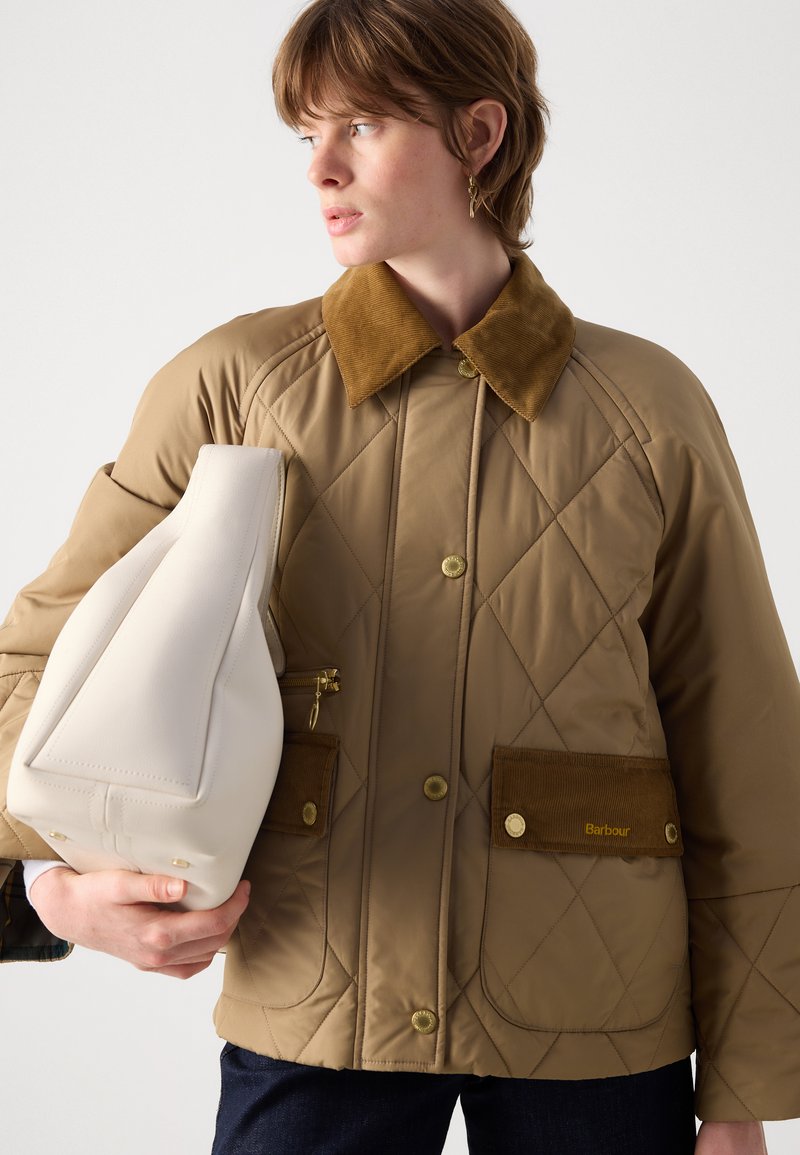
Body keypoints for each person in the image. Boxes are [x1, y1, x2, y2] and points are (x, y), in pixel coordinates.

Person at [0, 0, 797, 1151]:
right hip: (316, 1004)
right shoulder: (229, 385)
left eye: (362, 125)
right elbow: (30, 673)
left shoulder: (648, 413)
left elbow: (746, 754)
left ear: (478, 133)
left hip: (598, 1023)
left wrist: (739, 1090)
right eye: (306, 132)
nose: (318, 167)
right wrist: (54, 892)